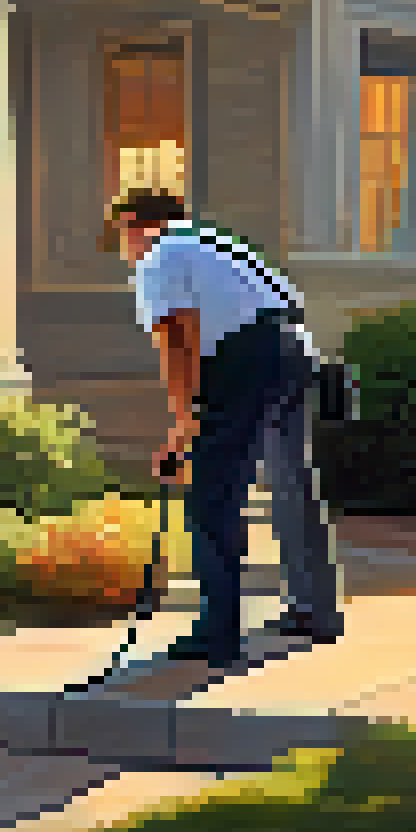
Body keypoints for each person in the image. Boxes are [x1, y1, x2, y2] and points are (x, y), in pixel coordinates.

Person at [111, 186, 344, 669]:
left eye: (120, 234)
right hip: (294, 352)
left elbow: (178, 335)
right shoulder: (217, 244)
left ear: (135, 224)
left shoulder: (161, 255)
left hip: (245, 358)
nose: (123, 249)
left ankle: (216, 632)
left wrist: (185, 422)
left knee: (212, 492)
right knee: (290, 482)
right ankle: (315, 611)